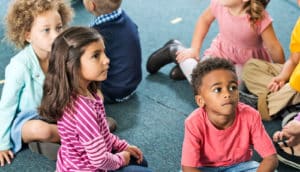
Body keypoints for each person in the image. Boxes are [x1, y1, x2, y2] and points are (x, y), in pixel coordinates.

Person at [39, 26, 152, 172]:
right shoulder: (82, 111)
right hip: (89, 168)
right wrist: (121, 159)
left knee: (140, 162)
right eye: (96, 55)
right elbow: (99, 160)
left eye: (103, 52)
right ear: (72, 65)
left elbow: (102, 133)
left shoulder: (85, 91)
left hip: (83, 162)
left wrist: (122, 146)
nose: (106, 60)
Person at [0, 0, 73, 166]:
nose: (56, 36)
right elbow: (6, 106)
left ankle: (55, 141)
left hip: (53, 111)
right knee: (40, 130)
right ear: (27, 35)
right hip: (27, 118)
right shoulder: (19, 66)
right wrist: (2, 144)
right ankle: (81, 134)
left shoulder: (62, 54)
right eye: (46, 30)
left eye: (59, 28)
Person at [147, 0, 285, 82]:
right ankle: (174, 50)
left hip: (247, 63)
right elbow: (204, 20)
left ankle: (188, 68)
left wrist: (283, 74)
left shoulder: (259, 19)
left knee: (233, 88)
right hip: (220, 53)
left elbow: (274, 48)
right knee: (212, 84)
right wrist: (194, 49)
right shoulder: (219, 3)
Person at [181, 58, 278, 172]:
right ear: (201, 100)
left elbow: (271, 158)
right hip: (205, 169)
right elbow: (188, 167)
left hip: (241, 166)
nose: (227, 94)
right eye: (217, 90)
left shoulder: (251, 115)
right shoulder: (193, 122)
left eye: (233, 87)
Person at [82, 0, 142, 103]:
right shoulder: (126, 18)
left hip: (112, 91)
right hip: (133, 85)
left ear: (91, 5)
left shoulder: (97, 34)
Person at [242, 16, 300, 120]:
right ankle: (285, 104)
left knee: (294, 87)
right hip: (295, 76)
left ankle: (258, 106)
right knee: (251, 67)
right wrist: (282, 77)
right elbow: (294, 60)